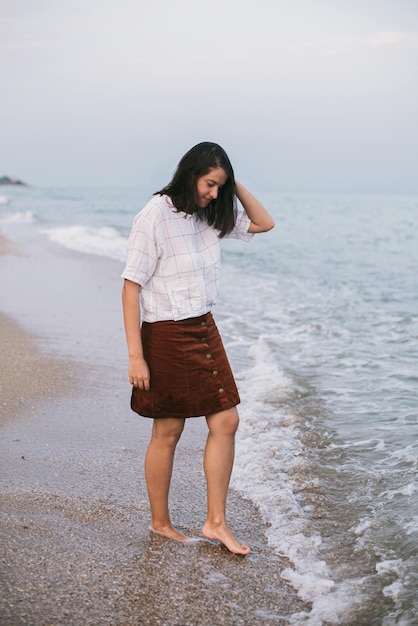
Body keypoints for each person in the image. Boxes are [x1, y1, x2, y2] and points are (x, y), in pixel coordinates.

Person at [121, 142, 274, 555]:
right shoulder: (152, 216)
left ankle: (215, 522)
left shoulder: (211, 214)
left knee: (226, 422)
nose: (213, 193)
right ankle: (160, 523)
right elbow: (131, 287)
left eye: (219, 187)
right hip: (166, 333)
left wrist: (231, 181)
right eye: (209, 183)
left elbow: (264, 223)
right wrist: (136, 356)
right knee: (168, 430)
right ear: (190, 173)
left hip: (204, 328)